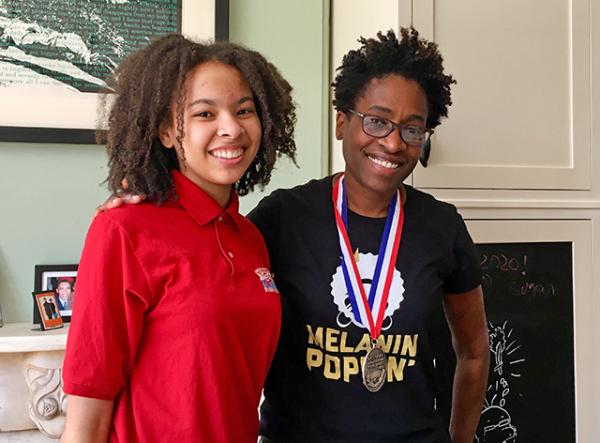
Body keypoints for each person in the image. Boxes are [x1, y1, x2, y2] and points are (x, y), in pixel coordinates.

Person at [97, 28, 489, 442]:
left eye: (413, 129)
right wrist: (149, 194)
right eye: (376, 121)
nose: (393, 142)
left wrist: (460, 438)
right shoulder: (282, 217)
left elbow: (475, 351)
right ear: (342, 122)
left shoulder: (442, 227)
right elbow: (207, 256)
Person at [60, 33, 296, 443]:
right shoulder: (124, 229)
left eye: (245, 110)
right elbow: (88, 412)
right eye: (205, 114)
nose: (231, 128)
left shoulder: (250, 237)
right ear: (168, 131)